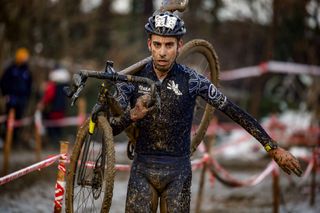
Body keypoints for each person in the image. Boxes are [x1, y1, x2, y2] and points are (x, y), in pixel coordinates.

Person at [110, 11, 302, 212]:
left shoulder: (192, 80)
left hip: (178, 172)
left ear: (179, 46)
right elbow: (111, 130)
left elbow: (234, 111)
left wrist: (272, 147)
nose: (162, 52)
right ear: (149, 44)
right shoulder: (133, 79)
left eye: (169, 45)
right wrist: (131, 115)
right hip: (142, 168)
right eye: (157, 45)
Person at [0, 48, 32, 146]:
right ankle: (6, 140)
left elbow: (29, 85)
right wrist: (6, 94)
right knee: (8, 120)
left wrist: (26, 96)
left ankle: (14, 141)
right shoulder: (11, 69)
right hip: (11, 98)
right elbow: (3, 82)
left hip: (21, 100)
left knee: (18, 121)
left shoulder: (26, 71)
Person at [37, 67, 70, 147]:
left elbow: (49, 96)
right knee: (58, 128)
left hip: (53, 109)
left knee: (52, 128)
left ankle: (54, 143)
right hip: (61, 109)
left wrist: (42, 103)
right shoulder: (65, 87)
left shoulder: (52, 86)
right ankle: (57, 144)